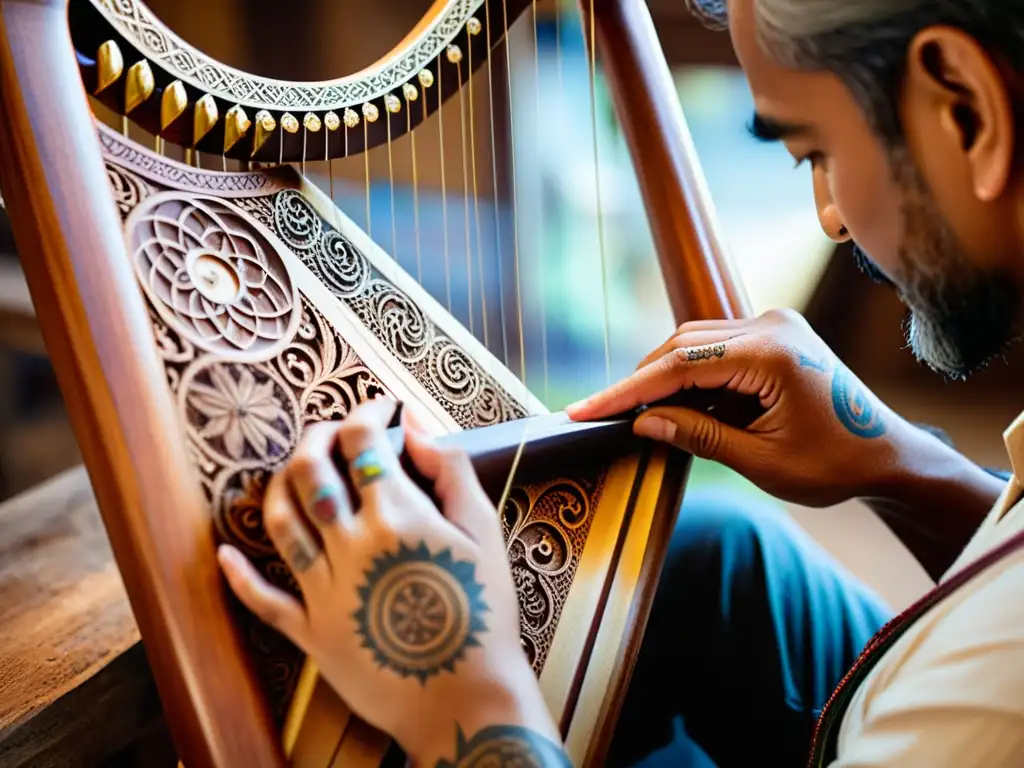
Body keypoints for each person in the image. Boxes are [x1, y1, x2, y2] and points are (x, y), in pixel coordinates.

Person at [216, 0, 1024, 765]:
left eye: (817, 150)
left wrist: (471, 709)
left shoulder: (994, 685)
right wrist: (906, 468)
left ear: (965, 107)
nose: (830, 217)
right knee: (719, 557)